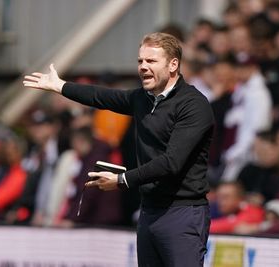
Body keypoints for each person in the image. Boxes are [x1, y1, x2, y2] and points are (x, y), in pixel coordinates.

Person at [24, 32, 214, 267]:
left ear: (173, 64)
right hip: (149, 211)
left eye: (151, 61)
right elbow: (101, 96)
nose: (143, 67)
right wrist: (61, 86)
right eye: (140, 61)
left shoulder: (193, 105)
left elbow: (171, 162)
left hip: (183, 213)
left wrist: (122, 179)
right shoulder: (143, 98)